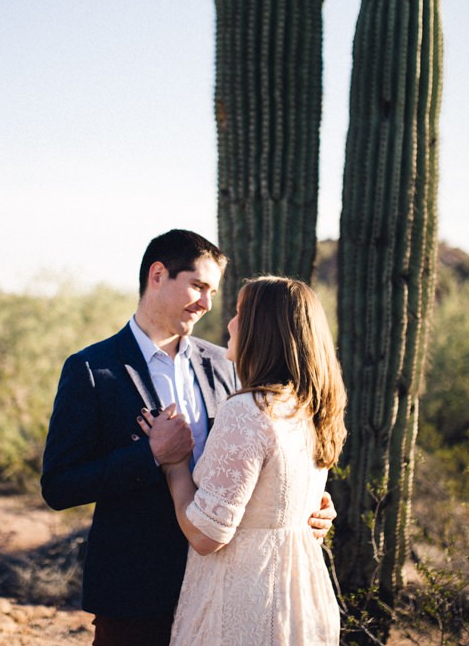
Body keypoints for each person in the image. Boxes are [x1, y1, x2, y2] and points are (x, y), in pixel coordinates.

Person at [41, 230, 336, 646]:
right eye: (198, 286)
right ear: (157, 275)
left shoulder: (227, 364)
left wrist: (305, 502)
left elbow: (262, 454)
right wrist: (150, 455)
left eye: (213, 291)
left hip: (228, 586)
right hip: (137, 591)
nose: (207, 303)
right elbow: (58, 485)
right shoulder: (92, 369)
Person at [139, 276, 347, 645]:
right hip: (302, 599)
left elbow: (206, 536)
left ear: (263, 330)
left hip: (249, 601)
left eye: (239, 313)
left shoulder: (249, 410)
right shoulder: (311, 408)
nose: (230, 324)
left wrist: (175, 466)